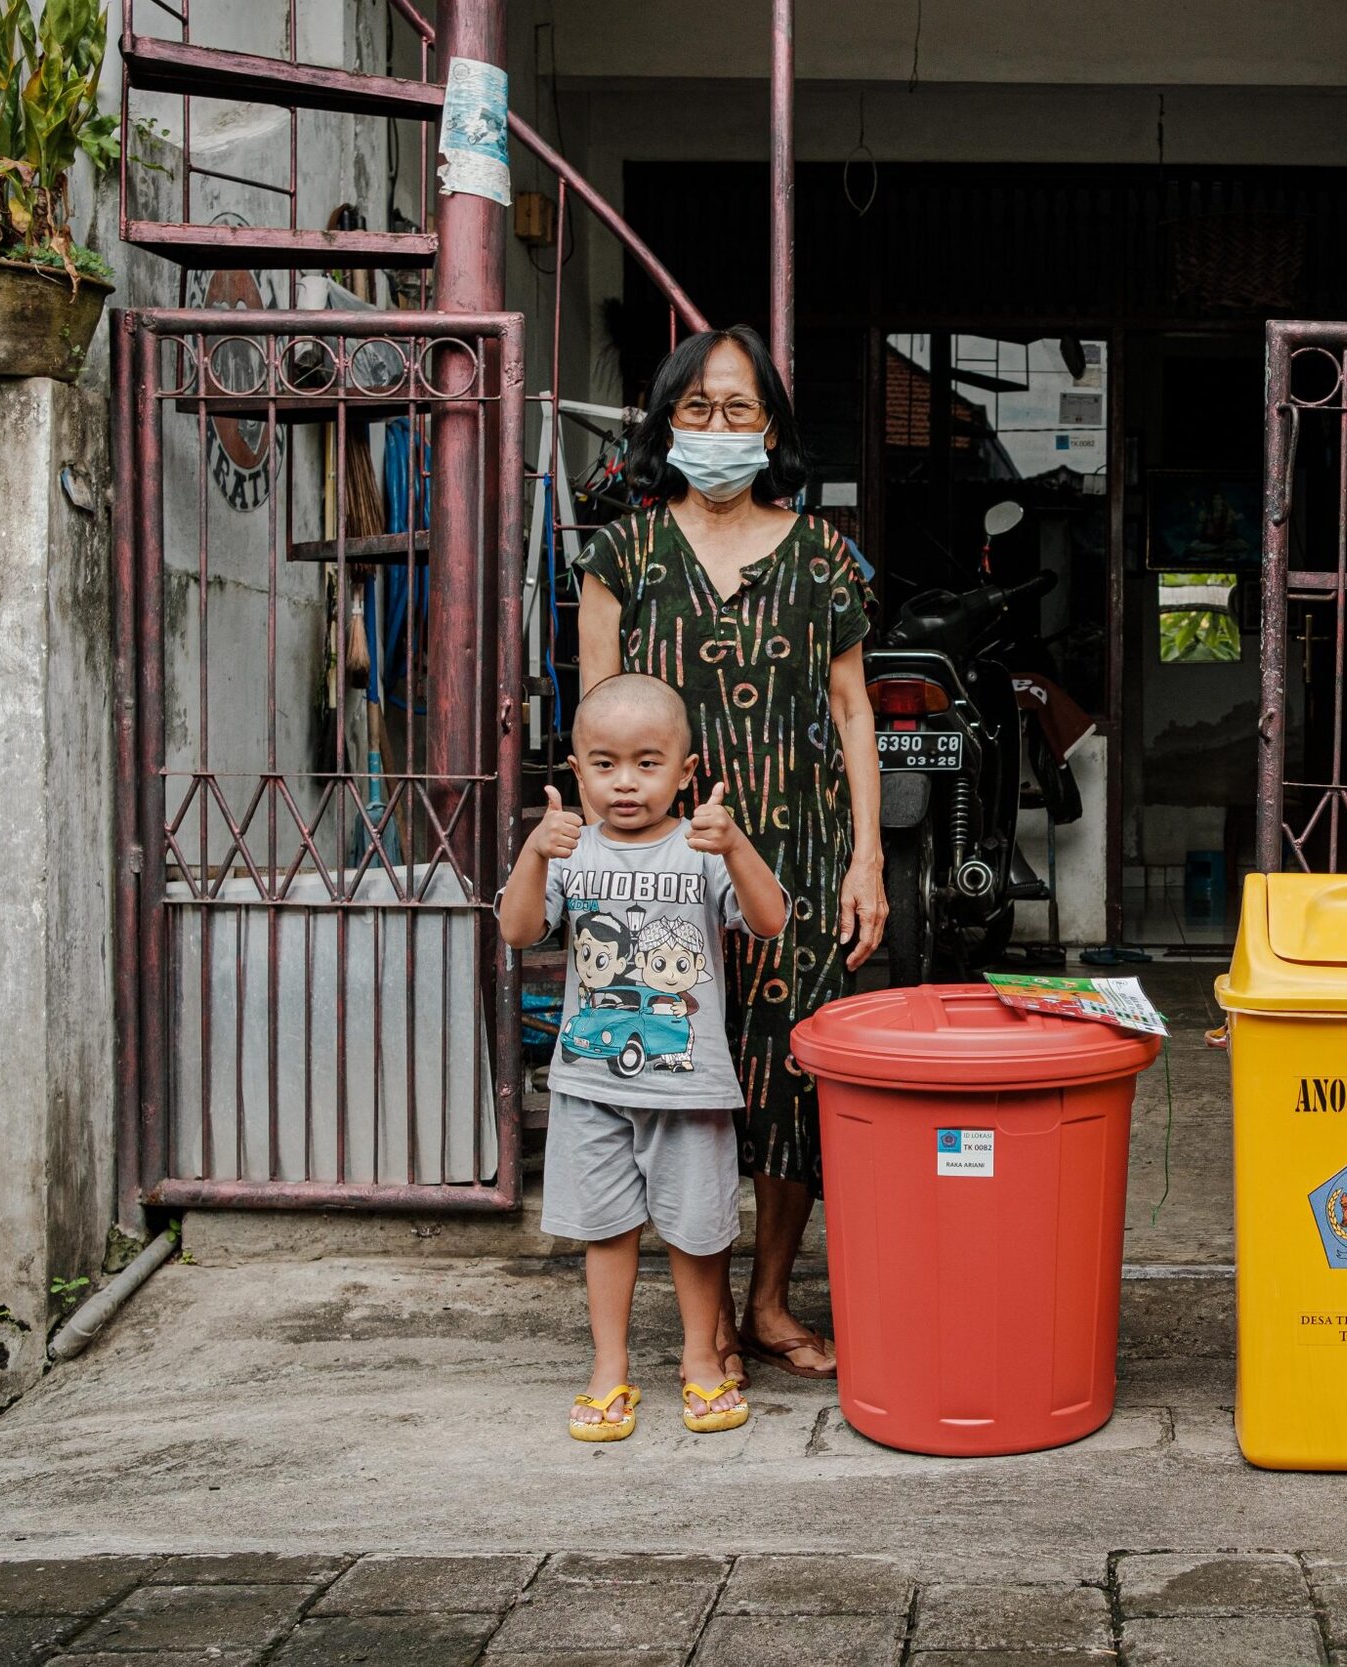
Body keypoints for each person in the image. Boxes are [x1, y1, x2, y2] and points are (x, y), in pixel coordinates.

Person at [576, 326, 885, 1384]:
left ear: (771, 427)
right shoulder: (620, 553)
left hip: (794, 853)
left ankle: (765, 1301)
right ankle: (697, 1320)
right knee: (682, 1078)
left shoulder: (822, 553)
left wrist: (868, 858)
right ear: (668, 421)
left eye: (739, 408)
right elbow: (593, 716)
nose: (716, 427)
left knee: (789, 1072)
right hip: (658, 866)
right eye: (697, 407)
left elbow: (853, 713)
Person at [500, 674, 789, 1441]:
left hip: (687, 1084)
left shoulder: (700, 847)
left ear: (686, 772)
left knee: (696, 1229)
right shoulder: (571, 848)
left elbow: (769, 921)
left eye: (647, 763)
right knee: (607, 1228)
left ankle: (699, 1358)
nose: (625, 782)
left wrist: (735, 844)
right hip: (590, 1083)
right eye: (604, 764)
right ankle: (609, 1368)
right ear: (577, 770)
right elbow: (519, 930)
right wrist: (533, 853)